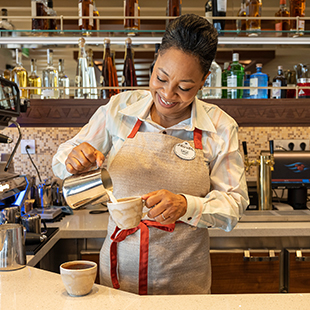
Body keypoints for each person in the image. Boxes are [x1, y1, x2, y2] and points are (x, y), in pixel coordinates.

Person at [52, 14, 249, 295]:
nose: (168, 94)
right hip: (118, 279)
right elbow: (61, 160)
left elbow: (235, 203)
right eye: (161, 77)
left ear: (204, 80)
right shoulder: (119, 109)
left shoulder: (219, 127)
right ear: (155, 61)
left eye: (184, 87)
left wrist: (186, 205)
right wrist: (73, 158)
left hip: (185, 283)